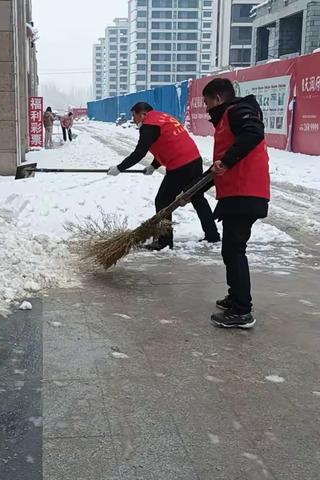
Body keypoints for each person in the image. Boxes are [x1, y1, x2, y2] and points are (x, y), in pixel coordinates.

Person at [202, 78, 270, 329]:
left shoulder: (238, 111)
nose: (206, 108)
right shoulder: (228, 118)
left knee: (234, 249)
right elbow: (220, 166)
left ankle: (242, 310)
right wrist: (191, 190)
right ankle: (235, 298)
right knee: (231, 248)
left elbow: (254, 132)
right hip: (238, 192)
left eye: (207, 101)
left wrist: (227, 161)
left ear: (218, 99)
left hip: (245, 192)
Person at [107, 102, 220, 250]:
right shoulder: (163, 118)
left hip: (180, 165)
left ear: (143, 114)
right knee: (197, 197)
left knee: (162, 201)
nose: (133, 120)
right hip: (194, 160)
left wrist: (119, 168)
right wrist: (153, 166)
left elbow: (139, 152)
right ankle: (212, 235)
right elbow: (167, 144)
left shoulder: (149, 124)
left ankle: (164, 241)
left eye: (134, 116)